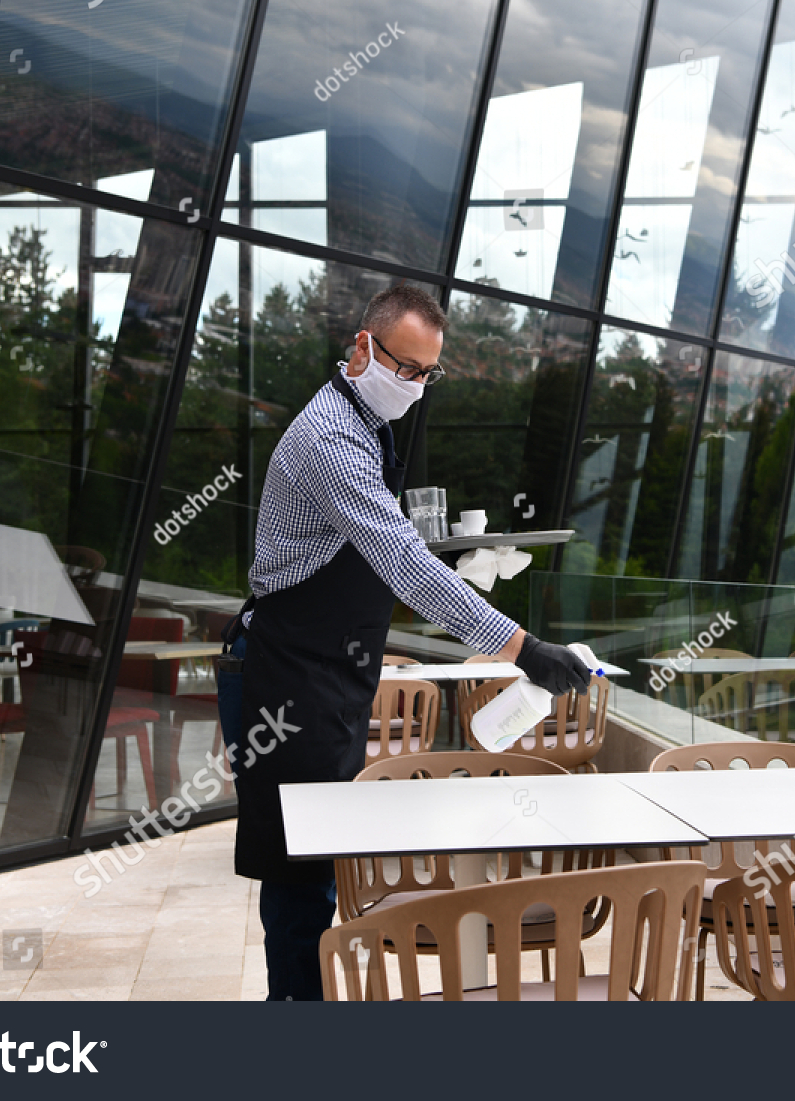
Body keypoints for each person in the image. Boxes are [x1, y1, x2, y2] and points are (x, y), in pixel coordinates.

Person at [235, 284, 590, 1001]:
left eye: (429, 373)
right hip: (288, 679)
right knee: (300, 877)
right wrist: (524, 648)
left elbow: (373, 548)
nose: (416, 386)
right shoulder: (331, 437)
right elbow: (400, 561)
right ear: (361, 347)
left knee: (323, 862)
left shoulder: (366, 422)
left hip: (328, 671)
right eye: (406, 368)